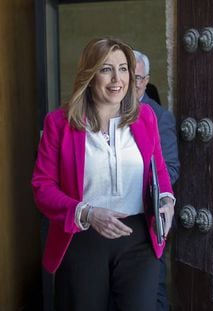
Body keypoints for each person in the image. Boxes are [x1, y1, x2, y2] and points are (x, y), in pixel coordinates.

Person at [32, 37, 175, 311]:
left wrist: (166, 200)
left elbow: (158, 171)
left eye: (123, 69)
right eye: (106, 69)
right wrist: (87, 213)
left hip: (138, 239)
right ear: (89, 73)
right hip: (82, 238)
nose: (116, 79)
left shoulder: (145, 117)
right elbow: (42, 188)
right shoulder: (59, 123)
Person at [133, 50, 180, 311]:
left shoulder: (160, 116)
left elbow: (171, 168)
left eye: (136, 77)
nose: (129, 82)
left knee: (152, 292)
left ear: (145, 80)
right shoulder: (109, 114)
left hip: (146, 219)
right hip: (113, 222)